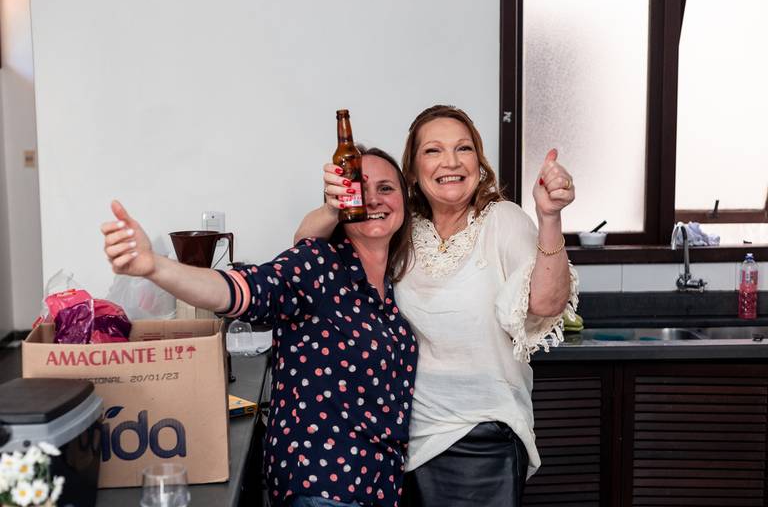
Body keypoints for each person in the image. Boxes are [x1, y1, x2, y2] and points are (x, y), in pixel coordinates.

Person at [101, 147, 419, 507]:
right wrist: (154, 266)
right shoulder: (317, 264)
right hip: (325, 487)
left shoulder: (391, 292)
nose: (373, 199)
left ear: (404, 201)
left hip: (379, 487)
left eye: (386, 188)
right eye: (360, 189)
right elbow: (240, 290)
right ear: (341, 201)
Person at [294, 105, 578, 507]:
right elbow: (305, 249)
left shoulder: (503, 220)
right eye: (433, 150)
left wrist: (549, 217)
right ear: (412, 170)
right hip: (401, 442)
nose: (451, 162)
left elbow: (547, 303)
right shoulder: (402, 227)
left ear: (478, 162)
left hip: (481, 438)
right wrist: (332, 206)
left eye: (463, 148)